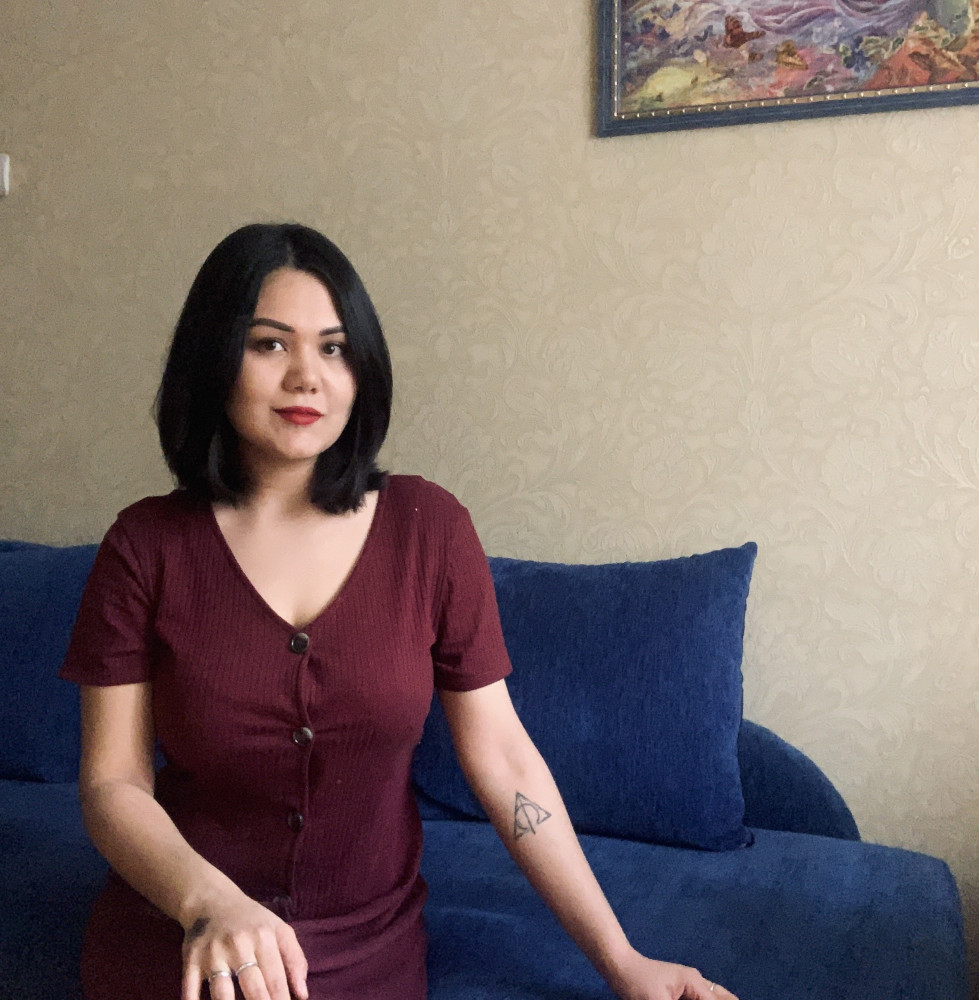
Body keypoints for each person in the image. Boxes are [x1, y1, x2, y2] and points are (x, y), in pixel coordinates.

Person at [59, 223, 737, 1000]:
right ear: (214, 357)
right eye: (270, 345)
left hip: (366, 950)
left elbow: (504, 759)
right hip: (185, 938)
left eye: (334, 348)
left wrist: (621, 959)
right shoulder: (145, 546)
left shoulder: (429, 529)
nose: (307, 377)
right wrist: (209, 902)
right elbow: (112, 783)